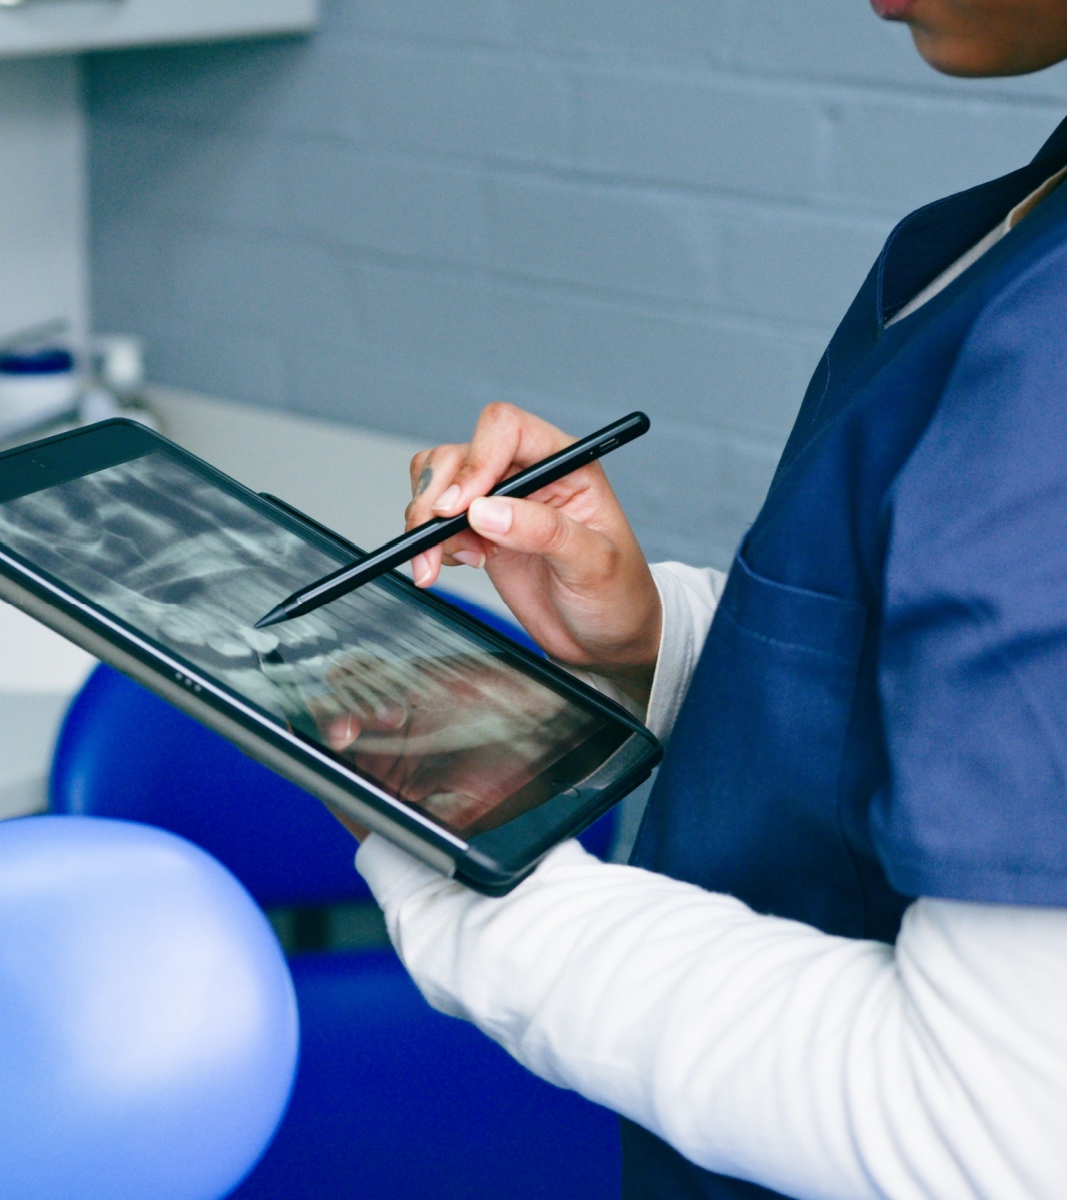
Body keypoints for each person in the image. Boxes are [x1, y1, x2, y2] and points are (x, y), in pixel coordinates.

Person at [343, 2, 1067, 1196]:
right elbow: (961, 720)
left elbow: (987, 1130)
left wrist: (454, 859)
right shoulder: (996, 238)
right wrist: (651, 642)